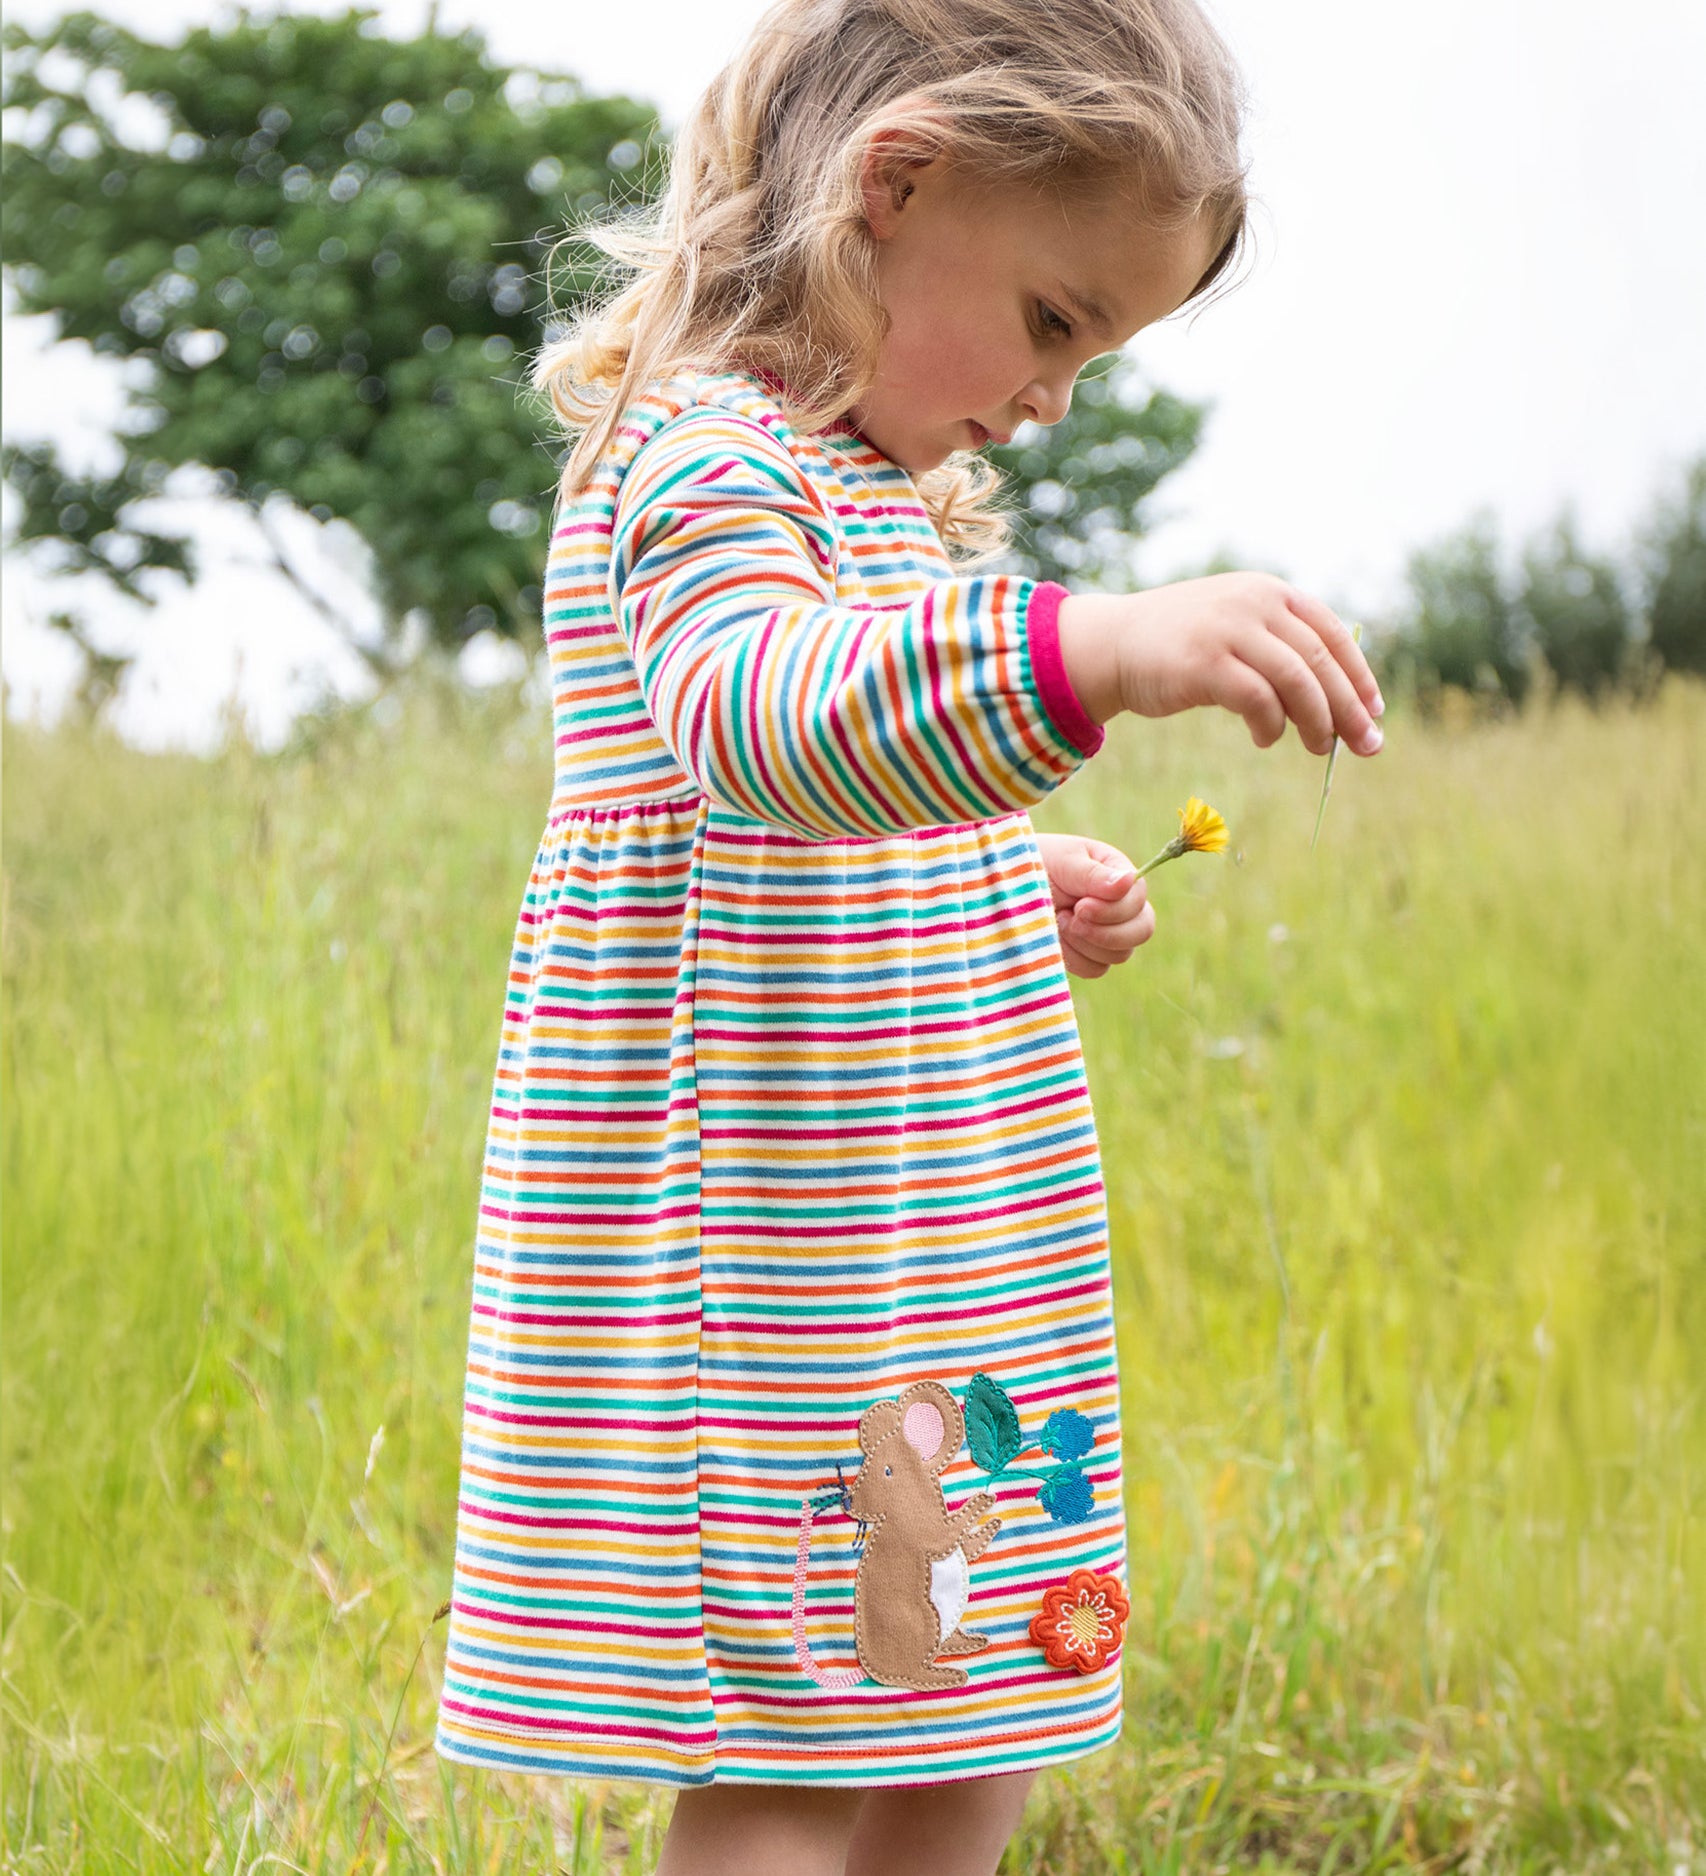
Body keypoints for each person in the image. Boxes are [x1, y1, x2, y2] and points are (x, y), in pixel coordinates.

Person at [432, 2, 1383, 1871]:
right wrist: (1085, 644)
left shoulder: (874, 506)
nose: (1051, 397)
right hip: (770, 1262)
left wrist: (994, 880)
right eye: (1051, 319)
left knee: (979, 1705)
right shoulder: (702, 460)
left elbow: (825, 815)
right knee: (793, 1742)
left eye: (1091, 355)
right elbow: (770, 723)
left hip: (931, 1252)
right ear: (893, 186)